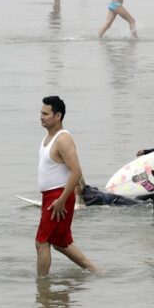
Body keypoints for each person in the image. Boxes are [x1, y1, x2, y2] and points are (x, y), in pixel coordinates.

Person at [36, 96, 97, 276]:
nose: (41, 116)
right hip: (51, 196)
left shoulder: (63, 139)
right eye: (41, 112)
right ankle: (95, 271)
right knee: (61, 243)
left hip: (58, 197)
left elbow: (76, 171)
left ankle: (42, 286)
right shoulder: (48, 137)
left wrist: (62, 200)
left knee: (42, 242)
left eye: (46, 113)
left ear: (58, 116)